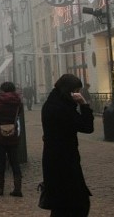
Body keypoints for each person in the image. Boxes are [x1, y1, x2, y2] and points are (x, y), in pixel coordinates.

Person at [41, 74, 94, 216]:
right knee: (78, 204)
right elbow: (87, 127)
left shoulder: (51, 104)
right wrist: (84, 104)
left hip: (54, 162)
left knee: (61, 207)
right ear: (68, 90)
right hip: (64, 163)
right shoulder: (62, 109)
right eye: (76, 90)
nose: (77, 94)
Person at [0, 81, 23, 197]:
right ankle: (17, 188)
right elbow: (20, 113)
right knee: (15, 161)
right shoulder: (18, 101)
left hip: (0, 135)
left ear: (3, 90)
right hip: (13, 134)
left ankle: (0, 189)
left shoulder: (0, 101)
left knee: (1, 161)